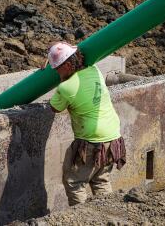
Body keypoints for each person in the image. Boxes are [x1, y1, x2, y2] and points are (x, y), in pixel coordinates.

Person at [46, 41, 126, 206]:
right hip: (113, 136)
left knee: (74, 182)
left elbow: (54, 108)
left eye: (56, 68)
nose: (54, 71)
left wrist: (62, 81)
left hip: (90, 141)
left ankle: (82, 218)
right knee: (100, 179)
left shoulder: (67, 87)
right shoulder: (94, 70)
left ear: (67, 65)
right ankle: (105, 215)